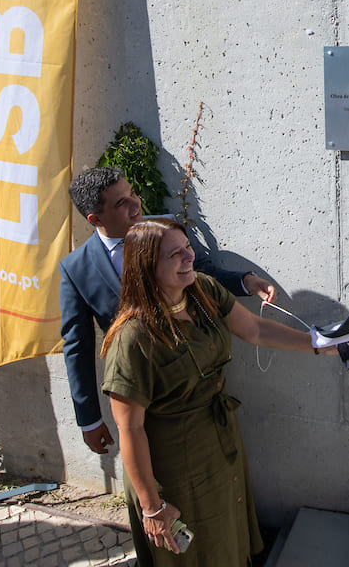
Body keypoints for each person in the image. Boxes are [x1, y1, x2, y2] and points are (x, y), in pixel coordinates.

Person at [100, 219, 333, 565]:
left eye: (187, 248)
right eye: (174, 254)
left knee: (225, 533)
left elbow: (253, 329)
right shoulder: (132, 339)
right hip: (172, 467)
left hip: (219, 443)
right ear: (147, 267)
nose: (189, 257)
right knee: (194, 551)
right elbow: (130, 429)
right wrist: (152, 506)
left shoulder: (203, 290)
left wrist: (318, 344)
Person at [59, 166, 277, 454]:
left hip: (194, 380)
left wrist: (244, 281)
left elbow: (201, 271)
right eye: (121, 203)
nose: (136, 204)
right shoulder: (76, 269)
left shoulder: (165, 228)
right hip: (143, 395)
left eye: (132, 193)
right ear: (95, 218)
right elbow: (77, 346)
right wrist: (88, 420)